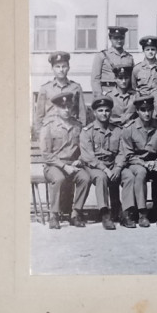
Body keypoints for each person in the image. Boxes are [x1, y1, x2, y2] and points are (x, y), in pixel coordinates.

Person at [39, 92, 92, 230]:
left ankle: (75, 213)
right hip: (53, 166)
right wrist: (64, 166)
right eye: (63, 107)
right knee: (59, 178)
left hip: (72, 165)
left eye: (69, 106)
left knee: (85, 178)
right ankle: (54, 215)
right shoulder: (49, 126)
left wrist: (79, 161)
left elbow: (83, 148)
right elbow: (46, 154)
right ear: (56, 108)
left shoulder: (77, 126)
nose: (67, 110)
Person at [119, 96, 157, 228]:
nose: (147, 113)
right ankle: (142, 213)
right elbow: (128, 154)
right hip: (137, 163)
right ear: (137, 111)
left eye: (149, 109)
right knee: (141, 173)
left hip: (155, 161)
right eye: (143, 110)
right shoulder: (129, 128)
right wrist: (144, 163)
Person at [79, 97, 125, 230]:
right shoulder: (88, 131)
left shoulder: (117, 130)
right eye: (100, 110)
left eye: (107, 110)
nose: (104, 113)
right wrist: (106, 169)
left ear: (111, 112)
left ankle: (124, 210)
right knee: (102, 177)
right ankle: (105, 213)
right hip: (93, 166)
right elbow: (89, 157)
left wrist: (117, 167)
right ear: (94, 113)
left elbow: (122, 152)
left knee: (127, 175)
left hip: (112, 165)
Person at [34, 51, 87, 136]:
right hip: (51, 133)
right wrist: (41, 134)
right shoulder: (45, 89)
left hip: (71, 132)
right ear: (52, 68)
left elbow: (82, 114)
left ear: (68, 67)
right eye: (57, 67)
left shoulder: (76, 88)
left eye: (64, 66)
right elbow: (39, 116)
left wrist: (80, 132)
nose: (61, 70)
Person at [91, 26, 135, 99]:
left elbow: (132, 78)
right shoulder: (102, 56)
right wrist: (99, 96)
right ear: (110, 39)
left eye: (121, 38)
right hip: (107, 93)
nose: (119, 41)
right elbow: (95, 79)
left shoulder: (129, 57)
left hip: (125, 95)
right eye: (116, 38)